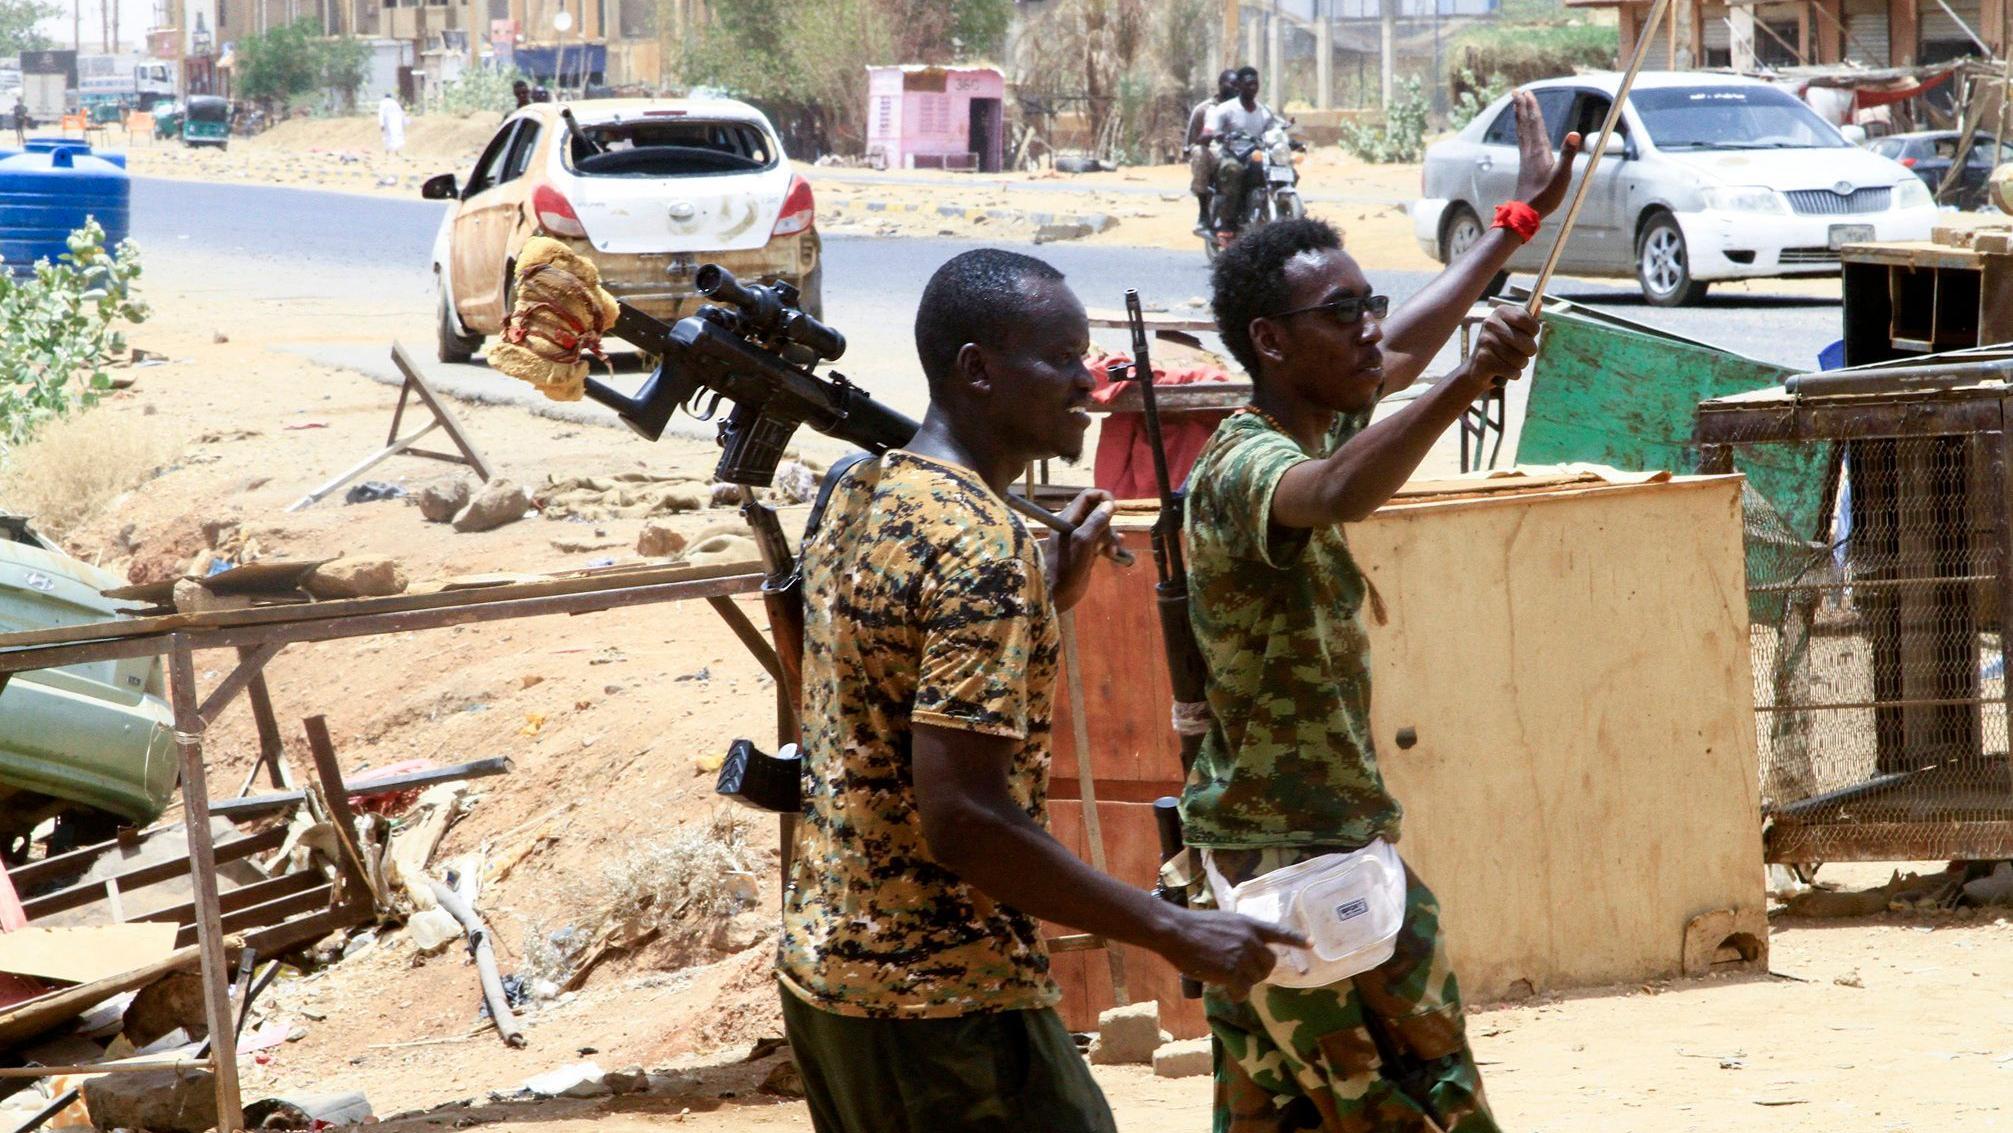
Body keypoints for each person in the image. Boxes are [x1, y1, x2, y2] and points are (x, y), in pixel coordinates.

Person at [778, 248, 1304, 1133]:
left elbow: (868, 690)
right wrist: (1170, 926)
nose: (1088, 383)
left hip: (830, 982)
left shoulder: (861, 493)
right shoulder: (981, 549)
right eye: (1060, 359)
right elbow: (965, 818)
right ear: (977, 369)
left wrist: (1041, 598)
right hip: (945, 1003)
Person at [1182, 90, 1582, 1132]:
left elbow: (1400, 347)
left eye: (1369, 303)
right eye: (1341, 314)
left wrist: (1516, 223)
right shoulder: (1245, 463)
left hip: (1302, 850)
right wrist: (1466, 383)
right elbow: (1336, 492)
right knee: (1428, 1106)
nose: (1368, 329)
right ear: (1269, 342)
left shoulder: (1314, 408)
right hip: (1294, 860)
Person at [1206, 66, 1284, 237]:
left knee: (1284, 170)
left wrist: (1288, 139)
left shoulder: (1264, 111)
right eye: (1249, 84)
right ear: (1239, 86)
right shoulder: (1226, 108)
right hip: (1232, 155)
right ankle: (1227, 224)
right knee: (1234, 170)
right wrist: (1219, 135)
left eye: (1255, 83)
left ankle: (1283, 211)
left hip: (1257, 155)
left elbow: (1275, 129)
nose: (1253, 87)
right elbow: (1211, 129)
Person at [1187, 68, 1239, 235]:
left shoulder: (1245, 107)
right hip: (1215, 157)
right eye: (1232, 84)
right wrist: (1207, 139)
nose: (1236, 88)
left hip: (1242, 153)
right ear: (1221, 85)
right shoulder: (1204, 109)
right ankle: (1203, 213)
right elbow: (1191, 142)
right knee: (1198, 152)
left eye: (1238, 85)